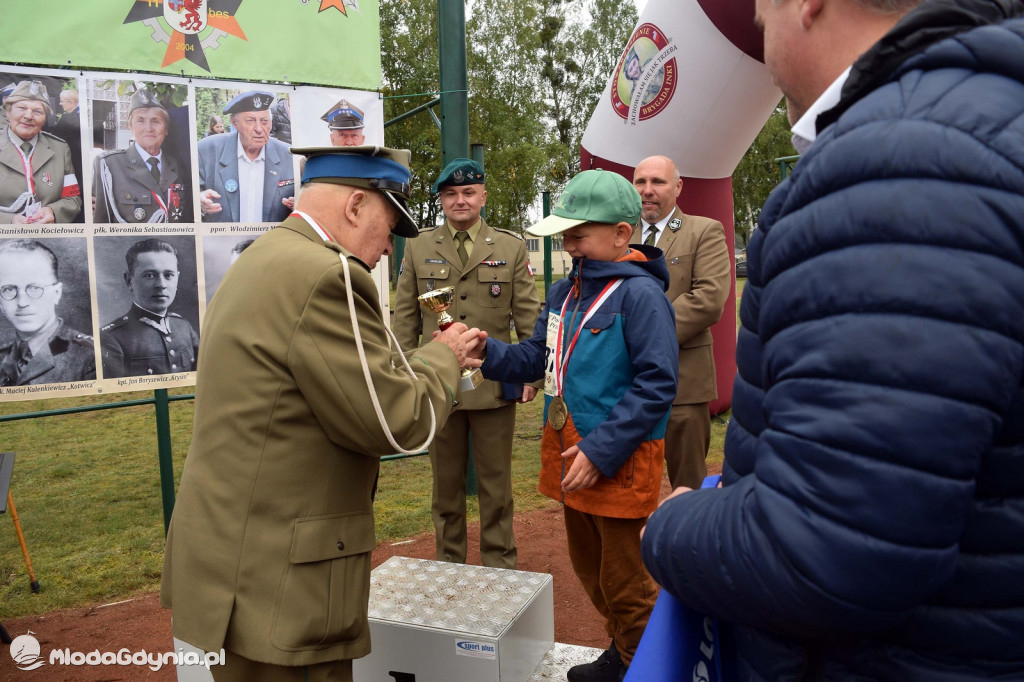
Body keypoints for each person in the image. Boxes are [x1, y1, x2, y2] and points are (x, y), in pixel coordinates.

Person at [640, 1, 1024, 680]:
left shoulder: (898, 164)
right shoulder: (974, 125)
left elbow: (830, 553)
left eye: (761, 15)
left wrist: (675, 526)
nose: (761, 34)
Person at [161, 144, 482, 682]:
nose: (386, 248)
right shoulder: (329, 274)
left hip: (231, 561)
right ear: (356, 206)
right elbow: (395, 423)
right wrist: (442, 360)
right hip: (281, 582)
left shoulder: (263, 256)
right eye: (386, 226)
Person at [470, 169, 678, 681]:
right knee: (593, 574)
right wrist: (487, 353)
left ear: (622, 234)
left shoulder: (641, 297)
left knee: (627, 581)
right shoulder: (567, 292)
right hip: (570, 454)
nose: (569, 244)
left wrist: (601, 451)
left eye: (579, 233)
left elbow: (657, 384)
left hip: (617, 461)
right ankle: (624, 653)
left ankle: (646, 668)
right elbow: (536, 358)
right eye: (565, 234)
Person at [393, 158, 542, 569]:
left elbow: (527, 315)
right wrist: (403, 372)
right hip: (436, 385)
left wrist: (530, 372)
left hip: (492, 385)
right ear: (441, 199)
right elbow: (405, 317)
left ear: (483, 197)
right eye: (451, 194)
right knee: (445, 488)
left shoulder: (509, 247)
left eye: (468, 192)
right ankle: (449, 566)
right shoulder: (419, 245)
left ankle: (501, 568)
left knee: (497, 486)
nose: (460, 200)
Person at [630, 155, 729, 490]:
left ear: (678, 187)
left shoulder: (703, 231)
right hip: (624, 384)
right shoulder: (618, 233)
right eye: (640, 182)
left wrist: (642, 338)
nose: (647, 190)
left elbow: (708, 300)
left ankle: (691, 544)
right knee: (625, 485)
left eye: (657, 182)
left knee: (687, 487)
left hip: (683, 383)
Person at [100, 238, 198, 378]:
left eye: (168, 275)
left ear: (177, 278)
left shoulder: (183, 326)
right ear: (129, 281)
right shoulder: (111, 338)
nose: (161, 284)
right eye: (150, 275)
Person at [0, 240, 94, 385]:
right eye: (8, 289)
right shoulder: (3, 356)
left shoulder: (90, 354)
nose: (22, 302)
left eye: (35, 288)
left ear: (56, 293)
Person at [93, 88, 191, 223]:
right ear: (130, 126)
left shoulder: (176, 166)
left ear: (166, 129)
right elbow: (100, 223)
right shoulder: (109, 165)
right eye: (140, 120)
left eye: (155, 121)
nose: (149, 128)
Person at [197, 91, 295, 223]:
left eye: (264, 121)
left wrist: (299, 206)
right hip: (223, 242)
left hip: (271, 241)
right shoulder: (207, 150)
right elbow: (189, 196)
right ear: (234, 123)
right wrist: (199, 199)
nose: (259, 129)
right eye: (251, 121)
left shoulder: (289, 155)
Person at [0, 80, 82, 224]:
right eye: (21, 108)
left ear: (45, 118)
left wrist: (53, 212)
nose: (28, 116)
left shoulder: (60, 149)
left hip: (48, 238)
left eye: (37, 111)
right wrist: (9, 221)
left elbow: (72, 199)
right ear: (8, 112)